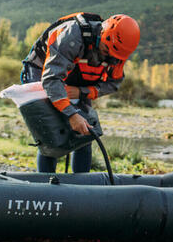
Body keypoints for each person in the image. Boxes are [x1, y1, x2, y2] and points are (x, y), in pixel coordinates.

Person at [20, 12, 141, 173]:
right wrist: (71, 114)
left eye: (114, 55)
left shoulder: (118, 51)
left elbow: (113, 84)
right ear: (103, 35)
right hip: (43, 71)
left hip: (74, 77)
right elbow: (51, 80)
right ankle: (46, 185)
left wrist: (82, 92)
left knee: (84, 133)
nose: (108, 56)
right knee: (52, 132)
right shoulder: (73, 35)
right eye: (106, 50)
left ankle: (80, 186)